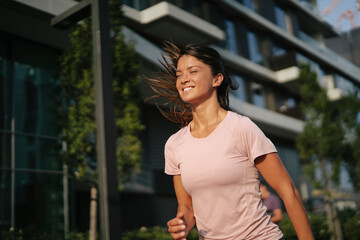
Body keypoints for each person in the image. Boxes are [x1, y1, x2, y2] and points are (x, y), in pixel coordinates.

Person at [147, 42, 314, 240]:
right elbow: (187, 206)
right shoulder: (174, 144)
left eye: (192, 71)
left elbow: (289, 192)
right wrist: (183, 223)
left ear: (217, 79)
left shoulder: (241, 128)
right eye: (179, 74)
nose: (184, 79)